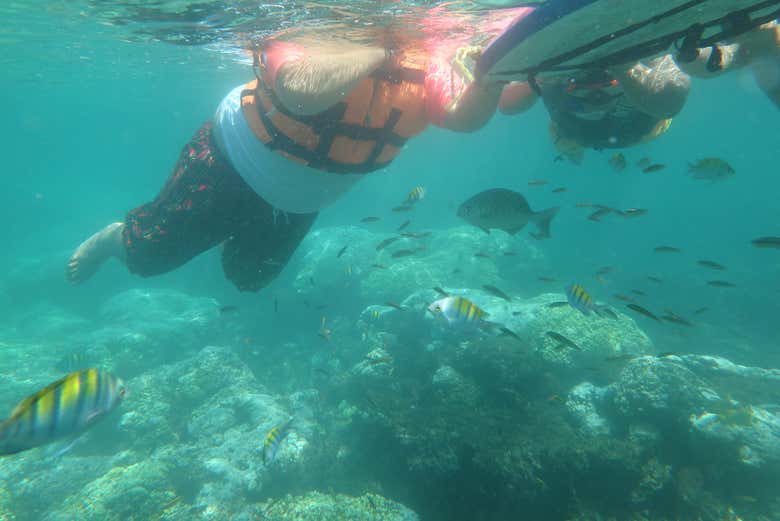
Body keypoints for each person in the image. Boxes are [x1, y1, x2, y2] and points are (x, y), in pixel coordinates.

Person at [66, 8, 534, 291]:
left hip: (303, 197)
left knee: (248, 280)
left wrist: (490, 79)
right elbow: (298, 90)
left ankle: (220, 231)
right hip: (233, 161)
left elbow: (463, 118)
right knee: (148, 257)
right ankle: (115, 237)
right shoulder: (300, 23)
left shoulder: (428, 56)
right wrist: (382, 45)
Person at [496, 55, 691, 163]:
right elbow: (507, 105)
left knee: (661, 114)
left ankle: (572, 149)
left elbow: (671, 104)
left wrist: (624, 69)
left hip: (637, 132)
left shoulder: (645, 57)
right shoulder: (557, 56)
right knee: (567, 140)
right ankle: (573, 150)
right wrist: (538, 78)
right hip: (574, 133)